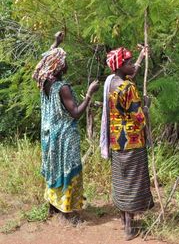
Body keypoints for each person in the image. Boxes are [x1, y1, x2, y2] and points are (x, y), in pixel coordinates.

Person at [32, 31, 99, 221]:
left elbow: (42, 64)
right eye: (64, 61)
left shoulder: (44, 81)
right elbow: (76, 113)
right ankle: (67, 213)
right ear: (59, 66)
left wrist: (55, 42)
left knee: (54, 168)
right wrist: (89, 94)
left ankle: (53, 206)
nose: (67, 63)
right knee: (69, 170)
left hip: (49, 135)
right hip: (65, 136)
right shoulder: (62, 87)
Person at [100, 46, 154, 240]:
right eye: (129, 63)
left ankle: (125, 221)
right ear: (120, 66)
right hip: (132, 142)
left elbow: (131, 73)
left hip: (117, 142)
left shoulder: (112, 82)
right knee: (133, 183)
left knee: (121, 181)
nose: (132, 66)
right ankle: (129, 228)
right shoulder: (128, 88)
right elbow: (139, 117)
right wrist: (146, 107)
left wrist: (140, 57)